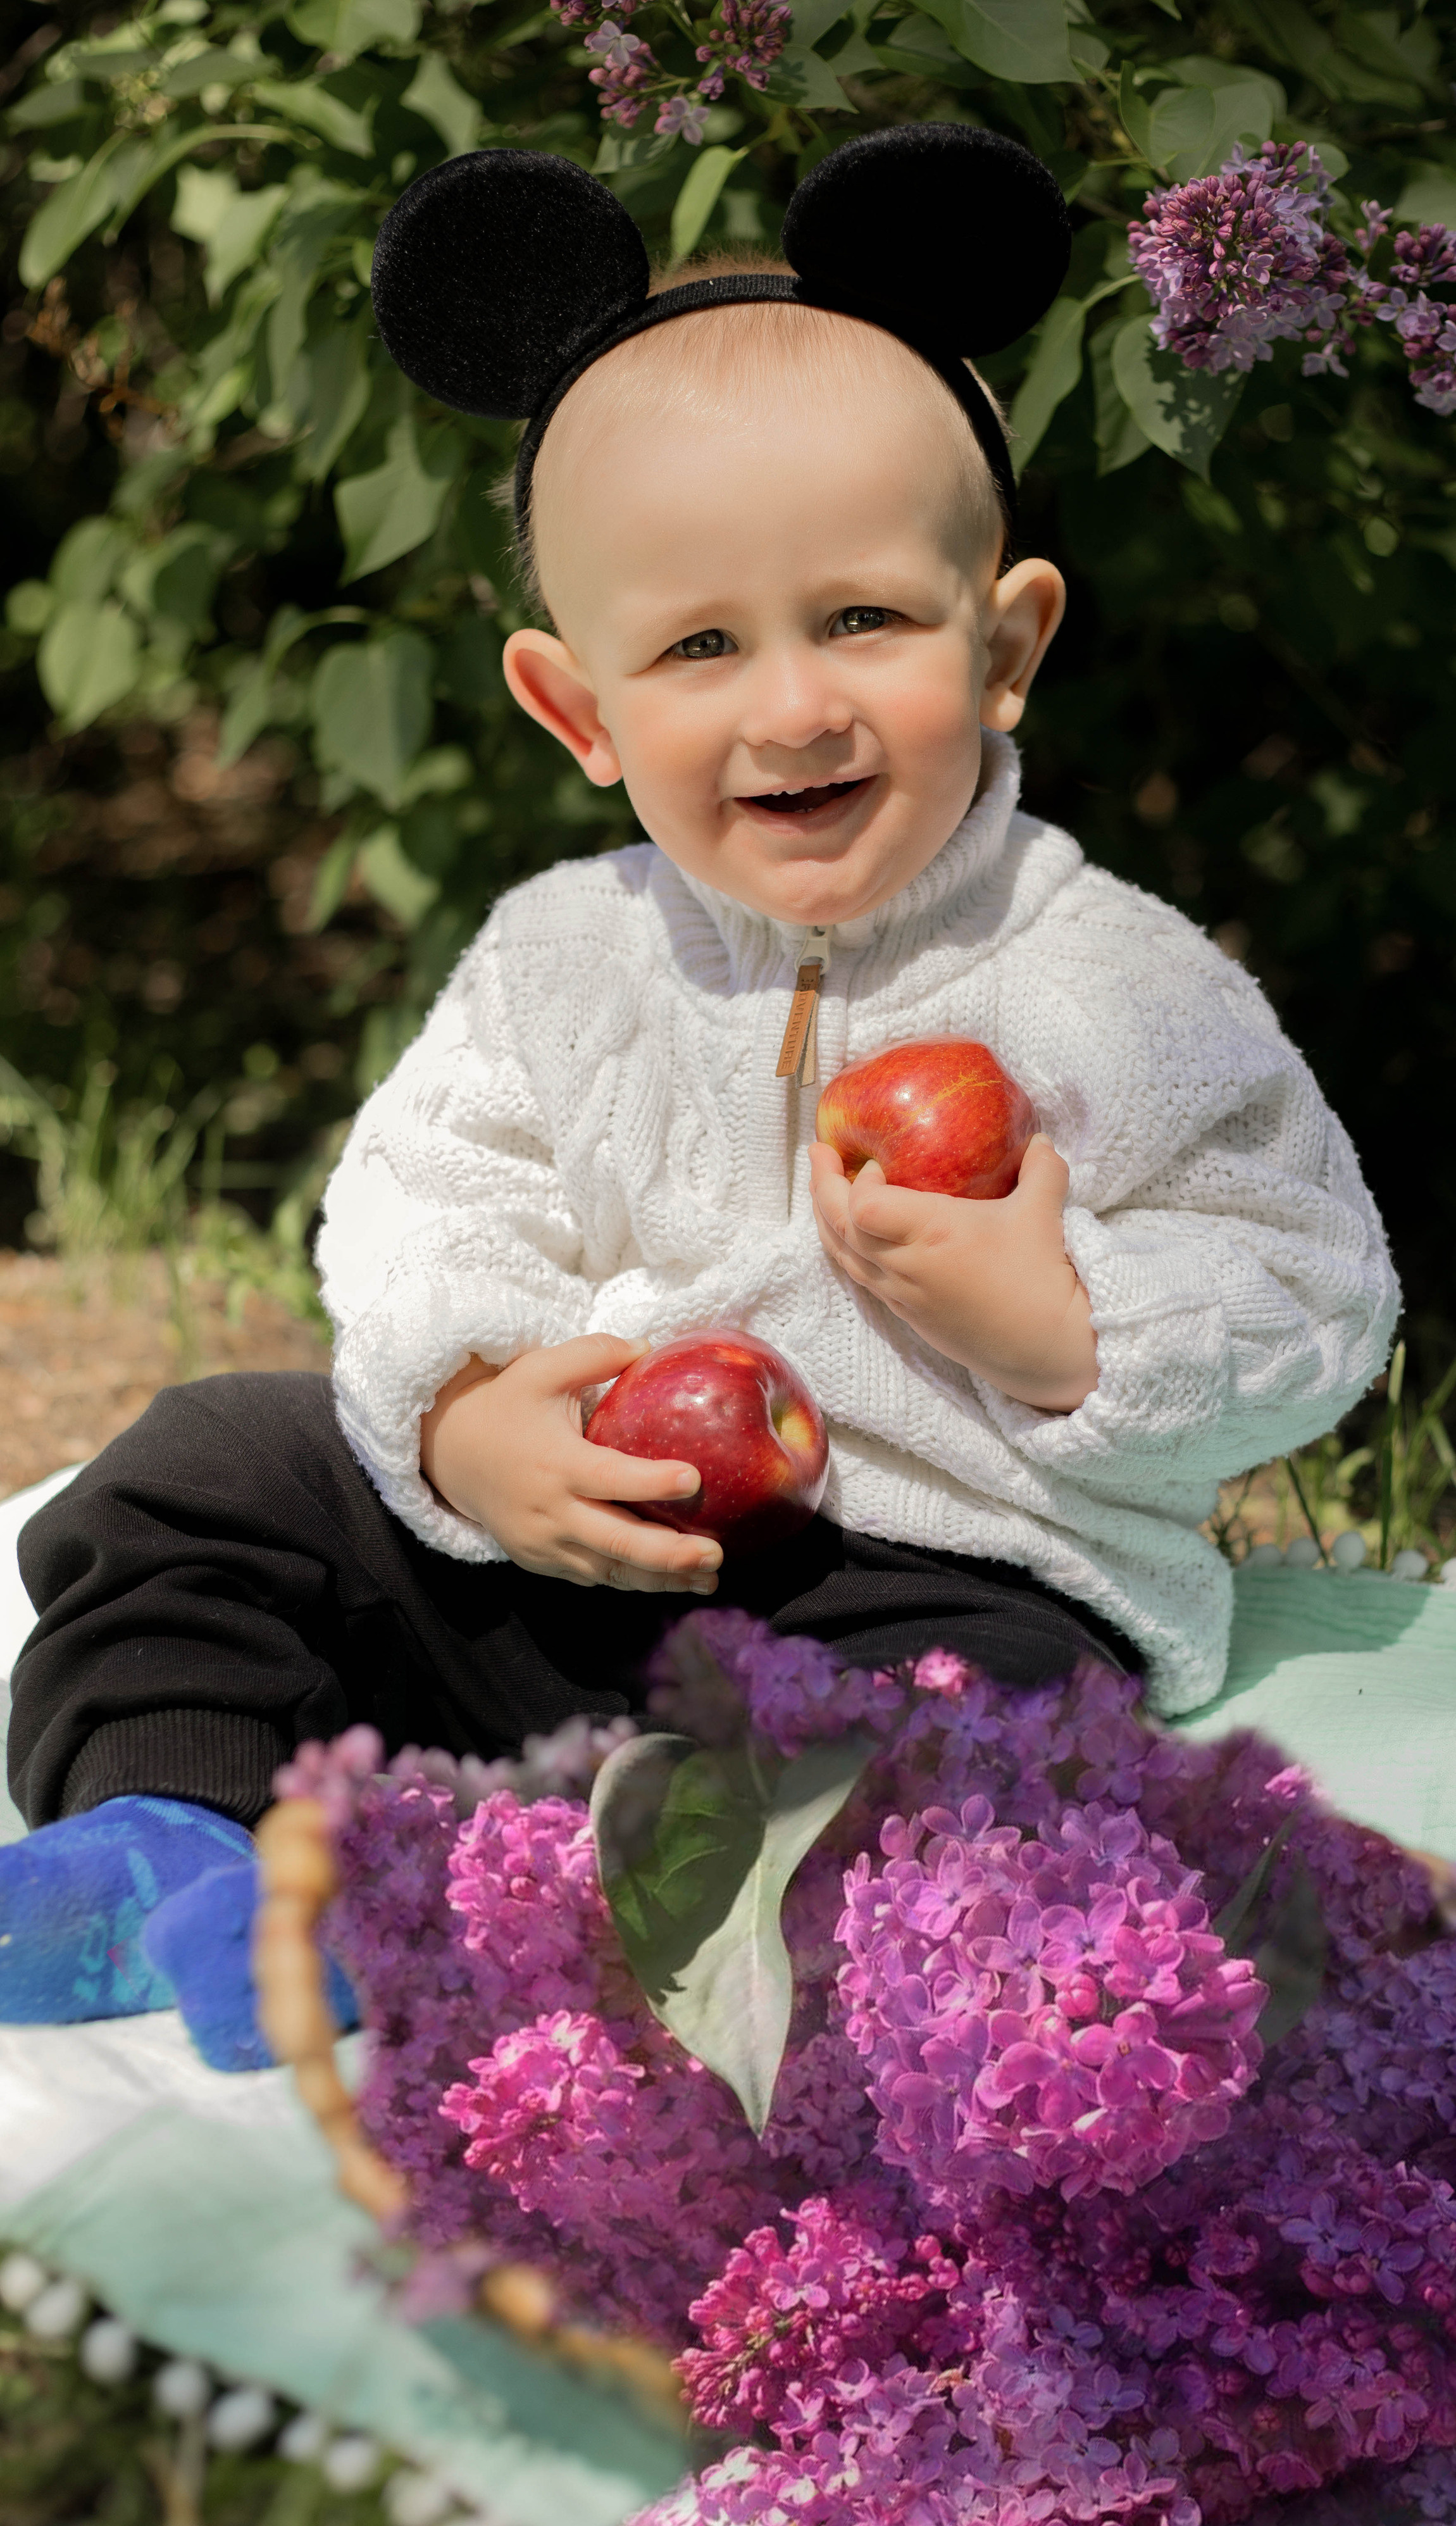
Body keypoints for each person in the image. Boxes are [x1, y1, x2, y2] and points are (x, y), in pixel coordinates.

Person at [0, 128, 1397, 2064]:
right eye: (702, 648)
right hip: (579, 1532)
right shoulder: (566, 960)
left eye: (865, 622)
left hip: (942, 1572)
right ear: (581, 713)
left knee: (954, 1750)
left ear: (1005, 647)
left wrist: (1071, 1332)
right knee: (209, 1466)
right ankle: (165, 1839)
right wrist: (475, 1415)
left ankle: (514, 1899)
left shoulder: (1119, 980)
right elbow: (424, 1199)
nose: (794, 706)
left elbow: (1318, 1284)